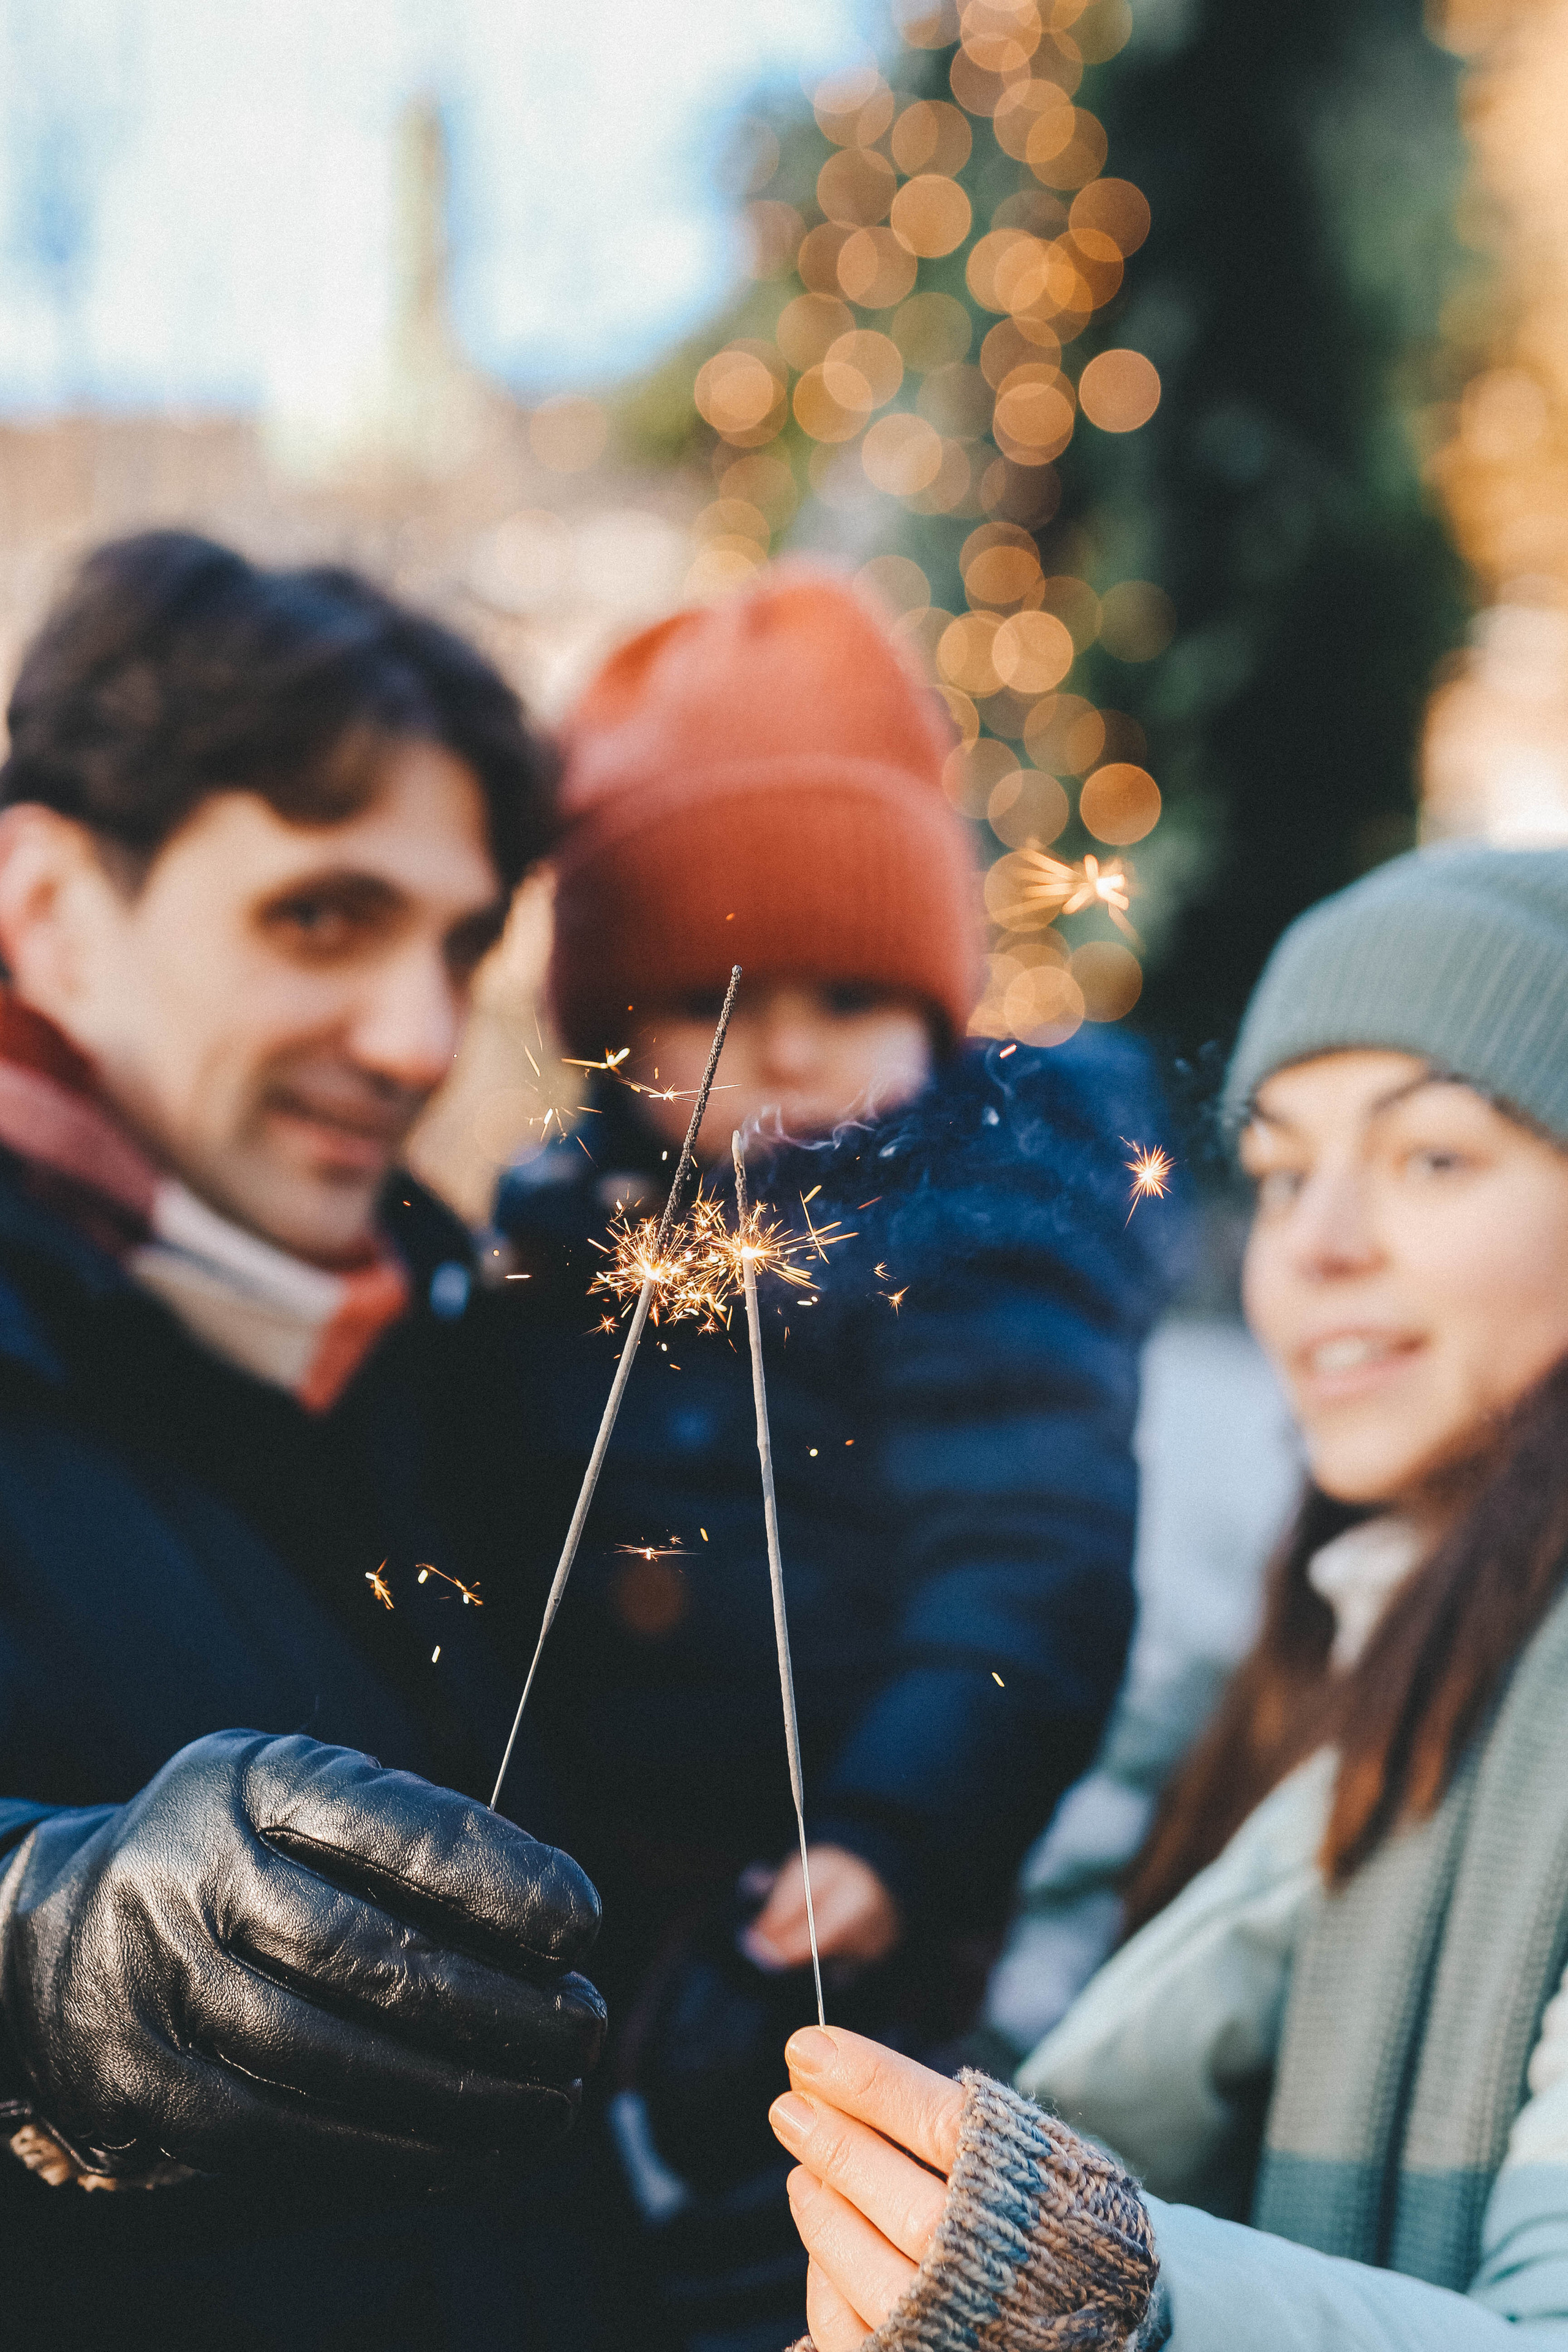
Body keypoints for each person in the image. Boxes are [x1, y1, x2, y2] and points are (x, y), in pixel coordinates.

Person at [494, 568, 1185, 2343]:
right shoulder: (564, 1241)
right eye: (705, 997)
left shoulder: (974, 1235)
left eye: (840, 990)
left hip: (853, 1889)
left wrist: (894, 1825)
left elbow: (1025, 1554)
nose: (778, 1043)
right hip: (593, 1878)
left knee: (813, 2241)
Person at [766, 842, 1568, 2349]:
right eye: (1274, 1173)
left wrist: (1111, 2305)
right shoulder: (1313, 1658)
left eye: (1432, 1156)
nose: (1312, 1249)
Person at [0, 531, 621, 2348]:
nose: (417, 1035)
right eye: (320, 917)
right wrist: (44, 1962)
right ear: (46, 909)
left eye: (462, 941)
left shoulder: (475, 1351)